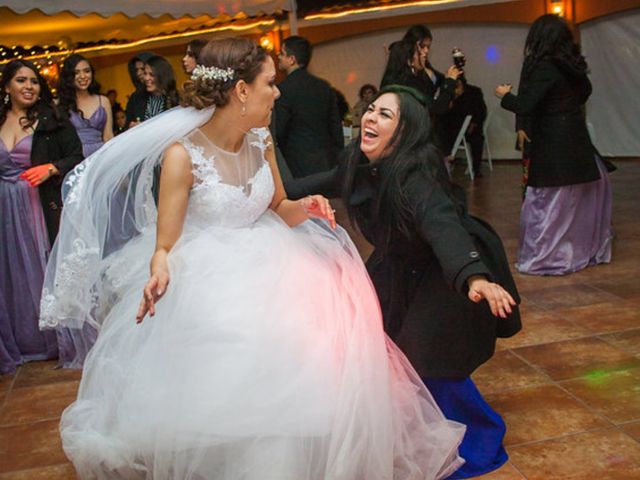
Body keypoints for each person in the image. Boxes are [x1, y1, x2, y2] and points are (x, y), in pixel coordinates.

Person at [40, 38, 465, 479]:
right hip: (210, 275)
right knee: (238, 370)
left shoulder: (261, 139)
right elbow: (166, 242)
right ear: (242, 91)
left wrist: (308, 207)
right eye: (269, 83)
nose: (277, 92)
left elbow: (278, 205)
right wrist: (160, 266)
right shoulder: (182, 156)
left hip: (273, 257)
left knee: (314, 349)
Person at [284, 85, 522, 479]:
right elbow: (316, 182)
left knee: (430, 356)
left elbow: (442, 226)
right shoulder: (358, 163)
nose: (370, 119)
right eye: (371, 110)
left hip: (444, 269)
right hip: (399, 263)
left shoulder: (417, 175)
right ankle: (410, 428)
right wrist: (263, 195)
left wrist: (473, 276)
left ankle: (477, 436)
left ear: (405, 132)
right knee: (374, 342)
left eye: (385, 115)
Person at [496, 14, 613, 275]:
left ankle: (546, 257)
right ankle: (577, 251)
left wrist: (505, 96)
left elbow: (526, 104)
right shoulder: (572, 67)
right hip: (576, 139)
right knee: (577, 202)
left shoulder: (544, 67)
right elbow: (584, 93)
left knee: (546, 203)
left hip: (554, 143)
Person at [0, 59, 83, 374]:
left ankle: (47, 341)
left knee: (40, 268)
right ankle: (18, 341)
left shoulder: (53, 120)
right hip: (4, 208)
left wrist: (51, 168)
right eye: (21, 80)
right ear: (7, 86)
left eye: (34, 81)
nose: (29, 87)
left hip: (37, 207)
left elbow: (76, 155)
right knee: (9, 275)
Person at [380, 25, 461, 148]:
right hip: (413, 143)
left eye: (427, 48)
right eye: (421, 49)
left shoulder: (406, 78)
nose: (425, 53)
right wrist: (449, 83)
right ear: (408, 60)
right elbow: (436, 107)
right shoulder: (407, 84)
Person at [275, 35, 344, 177]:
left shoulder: (283, 89)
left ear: (292, 59)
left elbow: (279, 130)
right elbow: (335, 127)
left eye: (282, 53)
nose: (278, 57)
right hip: (326, 160)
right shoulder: (324, 86)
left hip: (296, 163)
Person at [58, 54, 113, 157]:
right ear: (68, 76)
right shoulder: (60, 103)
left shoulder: (103, 101)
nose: (83, 76)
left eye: (87, 71)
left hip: (100, 157)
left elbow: (108, 136)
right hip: (73, 159)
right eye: (76, 73)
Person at [441, 78, 487, 177]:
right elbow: (444, 115)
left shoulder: (474, 92)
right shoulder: (447, 93)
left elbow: (482, 111)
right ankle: (446, 164)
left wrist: (474, 123)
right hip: (452, 128)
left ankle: (476, 168)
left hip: (471, 128)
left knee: (477, 140)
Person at [141, 55, 179, 122]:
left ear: (162, 76)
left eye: (151, 74)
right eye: (145, 73)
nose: (146, 78)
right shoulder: (140, 99)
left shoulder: (176, 99)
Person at [124, 51, 154, 128]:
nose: (138, 73)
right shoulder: (134, 98)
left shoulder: (167, 94)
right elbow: (128, 124)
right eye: (136, 70)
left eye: (142, 69)